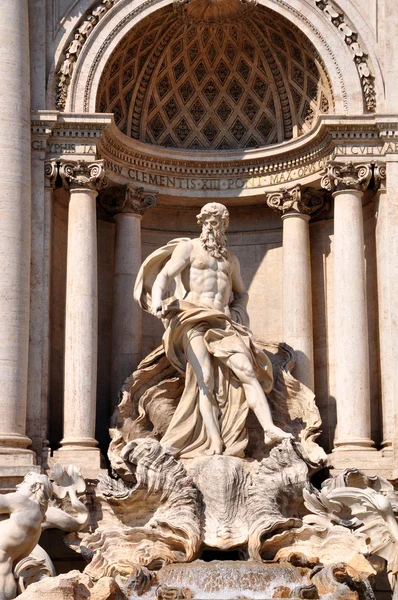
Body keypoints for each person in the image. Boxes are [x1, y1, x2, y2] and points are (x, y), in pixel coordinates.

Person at [136, 202, 291, 457]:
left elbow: (241, 293)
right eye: (208, 221)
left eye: (217, 222)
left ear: (224, 226)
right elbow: (164, 276)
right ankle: (214, 442)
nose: (212, 226)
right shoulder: (189, 248)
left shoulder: (230, 260)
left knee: (247, 371)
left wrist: (238, 313)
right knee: (204, 377)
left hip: (222, 322)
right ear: (202, 223)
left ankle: (269, 428)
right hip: (192, 318)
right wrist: (156, 302)